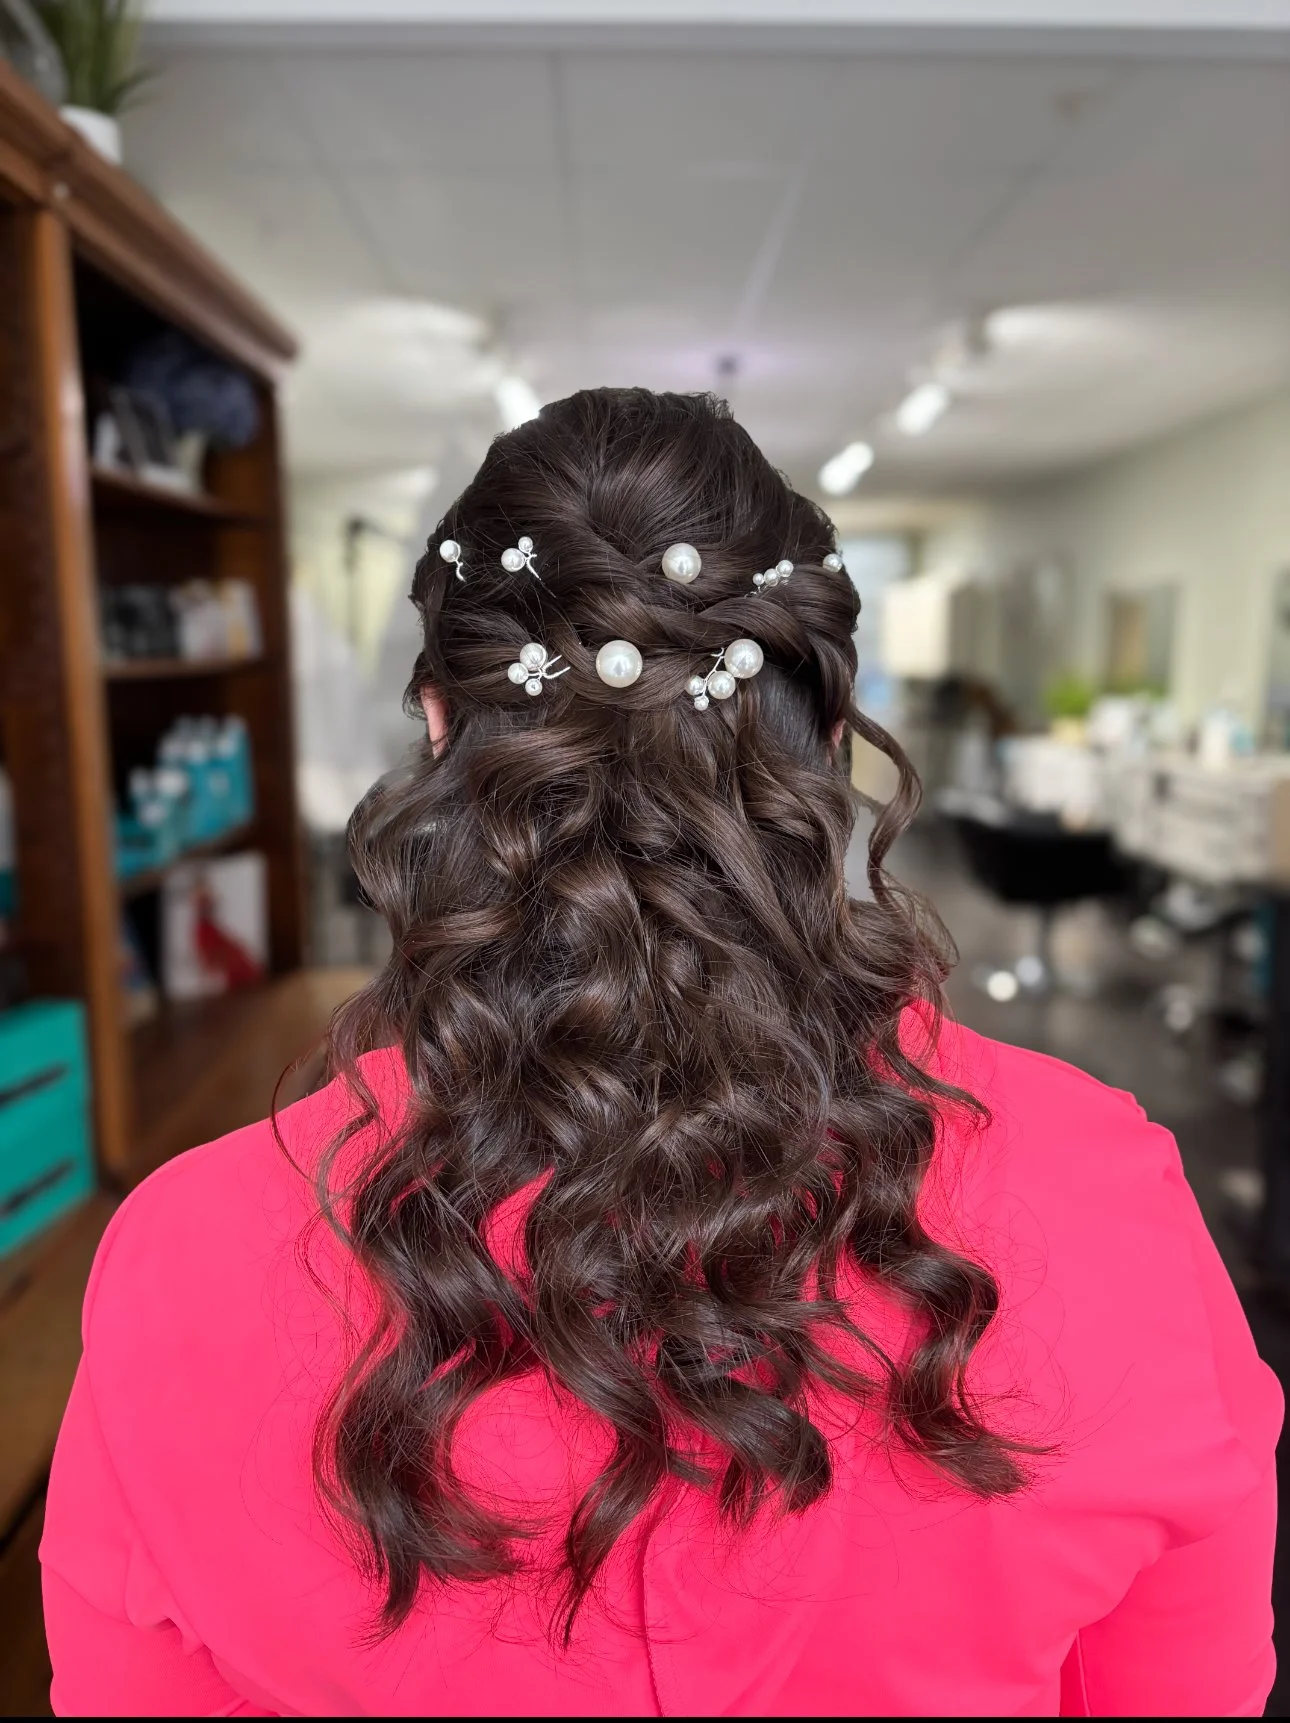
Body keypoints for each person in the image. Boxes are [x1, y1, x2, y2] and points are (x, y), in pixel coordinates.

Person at [42, 390, 1280, 1716]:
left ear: (440, 725)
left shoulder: (182, 1245)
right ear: (813, 733)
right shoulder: (1108, 1184)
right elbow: (1183, 1685)